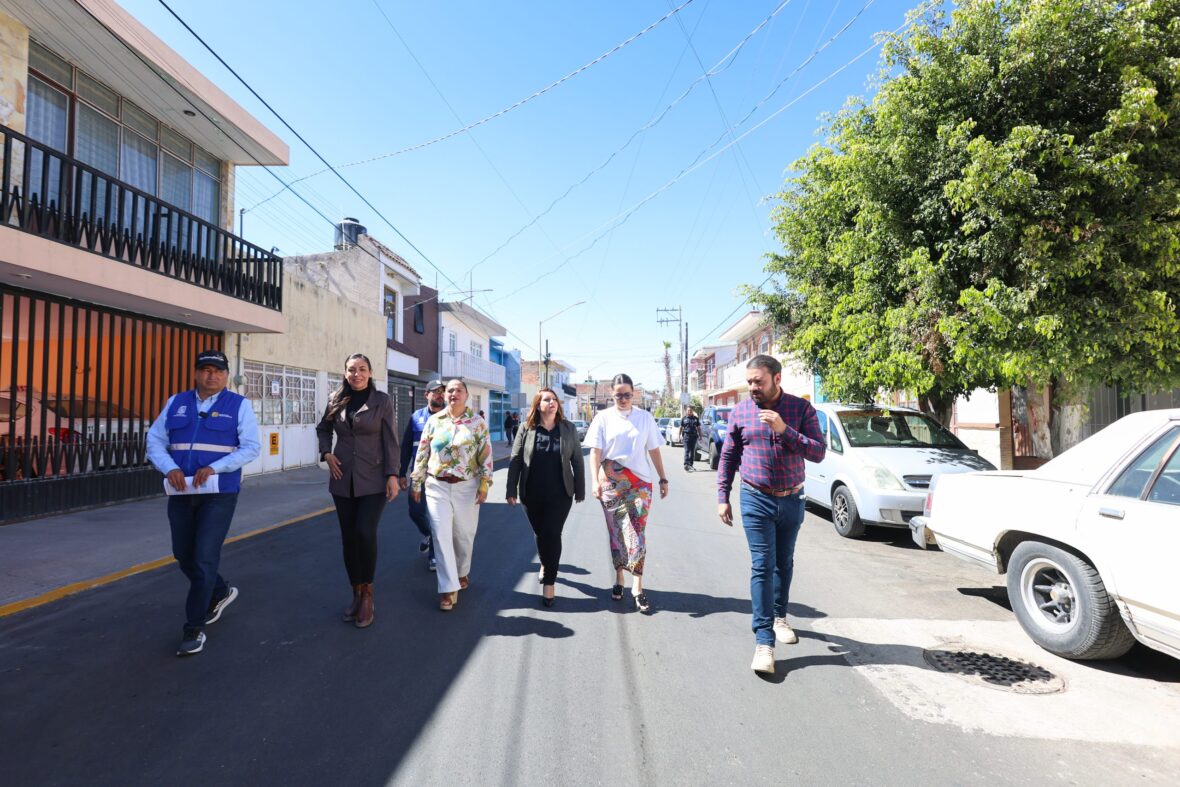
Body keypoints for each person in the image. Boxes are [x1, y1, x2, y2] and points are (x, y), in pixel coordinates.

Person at [145, 349, 260, 656]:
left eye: (218, 371)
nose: (212, 375)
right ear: (196, 372)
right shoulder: (176, 403)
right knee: (183, 554)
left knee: (205, 556)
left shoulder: (239, 405)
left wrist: (216, 467)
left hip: (219, 492)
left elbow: (251, 448)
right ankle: (220, 590)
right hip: (182, 493)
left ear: (226, 375)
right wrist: (169, 467)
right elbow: (155, 440)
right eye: (206, 369)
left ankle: (193, 628)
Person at [716, 355, 826, 675]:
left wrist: (785, 429)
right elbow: (728, 457)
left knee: (784, 562)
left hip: (792, 499)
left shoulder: (800, 410)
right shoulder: (740, 412)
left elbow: (817, 452)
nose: (752, 387)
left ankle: (779, 617)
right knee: (762, 565)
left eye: (758, 381)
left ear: (777, 379)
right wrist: (722, 496)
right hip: (755, 498)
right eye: (749, 382)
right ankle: (764, 641)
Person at [316, 353, 400, 629]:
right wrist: (326, 453)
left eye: (362, 369)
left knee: (365, 532)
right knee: (349, 538)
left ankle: (367, 595)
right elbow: (324, 428)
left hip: (374, 478)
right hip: (342, 477)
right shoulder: (336, 398)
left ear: (370, 372)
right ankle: (355, 592)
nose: (357, 374)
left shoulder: (382, 401)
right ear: (345, 372)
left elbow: (391, 440)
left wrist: (392, 475)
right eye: (352, 370)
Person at [584, 373, 668, 613]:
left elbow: (654, 450)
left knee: (637, 533)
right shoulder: (602, 418)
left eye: (627, 394)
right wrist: (594, 482)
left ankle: (638, 587)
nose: (623, 398)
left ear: (634, 394)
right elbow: (595, 453)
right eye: (618, 395)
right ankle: (619, 579)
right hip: (609, 482)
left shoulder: (645, 418)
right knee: (616, 533)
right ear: (612, 395)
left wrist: (663, 477)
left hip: (640, 483)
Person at [410, 379, 493, 611]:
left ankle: (462, 571)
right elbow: (422, 452)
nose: (454, 393)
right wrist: (416, 482)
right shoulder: (434, 421)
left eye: (459, 390)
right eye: (450, 390)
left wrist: (485, 484)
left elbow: (485, 455)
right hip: (437, 485)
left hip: (467, 486)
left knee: (464, 535)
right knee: (440, 533)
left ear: (466, 395)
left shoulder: (477, 423)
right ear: (444, 395)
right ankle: (448, 588)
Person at [506, 388, 585, 607]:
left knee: (552, 533)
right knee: (540, 534)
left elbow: (577, 460)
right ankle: (545, 563)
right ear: (537, 405)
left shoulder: (568, 429)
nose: (552, 403)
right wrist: (511, 489)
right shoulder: (526, 428)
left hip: (560, 494)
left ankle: (549, 582)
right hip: (532, 493)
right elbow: (515, 460)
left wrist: (580, 489)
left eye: (555, 400)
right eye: (546, 399)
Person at [399, 379, 446, 571]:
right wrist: (401, 473)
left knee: (436, 516)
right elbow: (405, 446)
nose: (439, 395)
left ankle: (434, 555)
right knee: (415, 512)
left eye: (441, 391)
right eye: (434, 392)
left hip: (440, 477)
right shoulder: (416, 417)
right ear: (426, 395)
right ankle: (427, 534)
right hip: (419, 476)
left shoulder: (449, 418)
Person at [681, 407, 702, 472]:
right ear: (686, 411)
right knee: (687, 450)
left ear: (692, 411)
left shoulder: (696, 419)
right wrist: (680, 436)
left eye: (690, 410)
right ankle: (686, 464)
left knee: (692, 451)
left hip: (694, 436)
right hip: (686, 436)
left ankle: (691, 465)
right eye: (688, 410)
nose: (689, 411)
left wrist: (700, 436)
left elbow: (698, 428)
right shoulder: (684, 419)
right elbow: (681, 428)